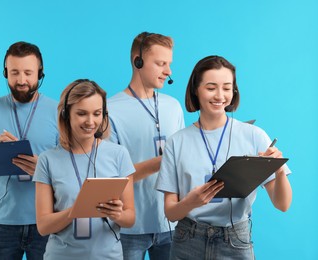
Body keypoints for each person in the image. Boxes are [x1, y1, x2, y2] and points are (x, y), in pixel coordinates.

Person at [155, 55, 292, 259]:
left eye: (227, 88)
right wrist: (191, 202)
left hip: (235, 240)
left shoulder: (254, 135)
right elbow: (171, 213)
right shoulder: (177, 142)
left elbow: (283, 205)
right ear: (195, 89)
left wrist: (278, 169)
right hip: (187, 240)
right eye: (211, 88)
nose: (220, 96)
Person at [0, 41, 59, 260]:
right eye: (14, 73)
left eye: (28, 73)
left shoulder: (58, 110)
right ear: (5, 73)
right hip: (0, 224)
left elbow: (72, 167)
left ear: (40, 73)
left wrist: (44, 168)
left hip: (45, 221)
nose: (21, 81)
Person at [33, 79, 135, 259]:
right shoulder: (47, 160)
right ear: (66, 114)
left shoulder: (119, 155)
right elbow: (43, 226)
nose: (90, 121)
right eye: (81, 113)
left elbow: (130, 218)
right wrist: (75, 211)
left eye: (97, 113)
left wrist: (117, 214)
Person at [107, 32, 185, 259]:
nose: (168, 71)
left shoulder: (173, 107)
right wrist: (160, 163)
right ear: (137, 61)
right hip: (130, 228)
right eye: (161, 63)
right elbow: (111, 178)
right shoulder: (110, 110)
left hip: (172, 223)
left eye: (169, 64)